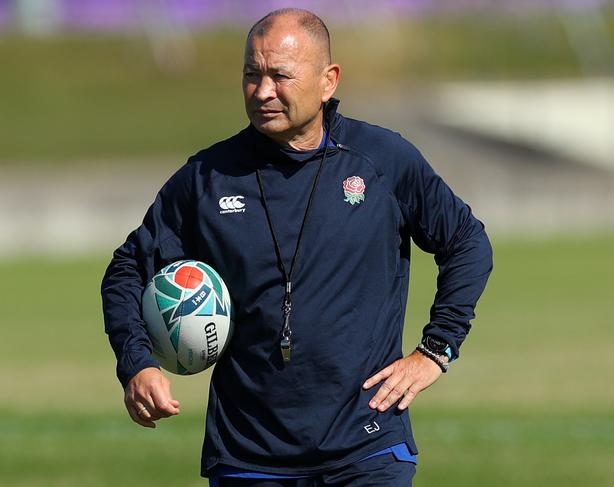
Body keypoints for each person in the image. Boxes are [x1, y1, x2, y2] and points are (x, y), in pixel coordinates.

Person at [101, 8, 492, 487]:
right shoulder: (206, 178)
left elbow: (467, 240)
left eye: (280, 75)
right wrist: (137, 363)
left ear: (328, 81)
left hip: (368, 448)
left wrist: (437, 349)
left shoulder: (382, 161)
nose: (263, 91)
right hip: (249, 456)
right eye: (251, 74)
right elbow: (126, 270)